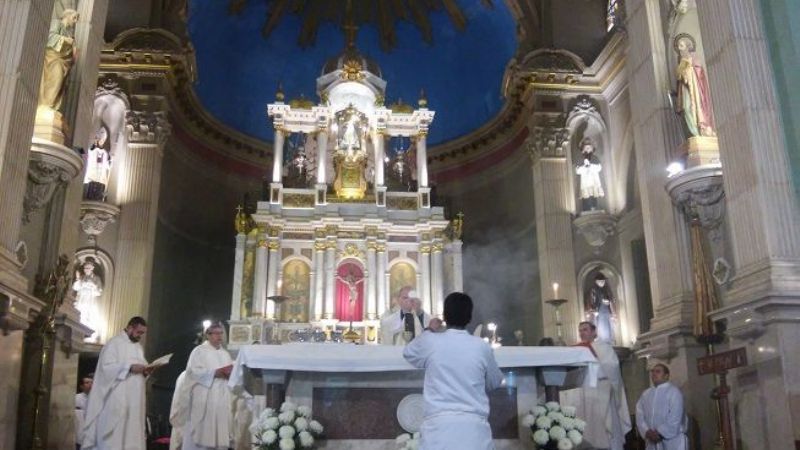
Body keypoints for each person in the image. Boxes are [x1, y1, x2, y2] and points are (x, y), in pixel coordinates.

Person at [403, 292, 504, 450]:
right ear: (469, 317)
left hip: (438, 432)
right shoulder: (481, 347)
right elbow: (494, 382)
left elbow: (409, 353)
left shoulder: (431, 341)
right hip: (474, 432)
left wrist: (429, 330)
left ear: (444, 316)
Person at [81, 316, 151, 450]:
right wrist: (129, 367)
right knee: (114, 434)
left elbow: (142, 366)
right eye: (138, 332)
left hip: (134, 401)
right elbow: (106, 368)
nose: (140, 336)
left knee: (131, 433)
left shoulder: (138, 348)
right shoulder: (114, 343)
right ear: (130, 327)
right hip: (117, 398)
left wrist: (146, 371)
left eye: (142, 333)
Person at [564, 322, 631, 450]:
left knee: (606, 428)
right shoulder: (577, 349)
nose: (582, 333)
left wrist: (593, 359)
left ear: (594, 332)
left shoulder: (603, 347)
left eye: (585, 329)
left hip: (602, 392)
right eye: (580, 330)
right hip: (584, 396)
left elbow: (612, 367)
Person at [180, 323, 234, 450]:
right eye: (216, 333)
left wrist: (229, 374)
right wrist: (214, 373)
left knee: (219, 431)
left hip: (221, 396)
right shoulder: (199, 351)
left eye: (221, 333)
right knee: (203, 430)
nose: (219, 336)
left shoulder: (225, 354)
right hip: (205, 396)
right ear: (208, 335)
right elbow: (193, 372)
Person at [636, 364, 689, 450]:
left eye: (658, 371)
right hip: (652, 442)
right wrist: (646, 431)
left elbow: (675, 416)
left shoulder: (674, 392)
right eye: (652, 371)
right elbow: (639, 414)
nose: (654, 374)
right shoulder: (646, 394)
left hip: (672, 441)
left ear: (666, 376)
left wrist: (660, 433)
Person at [674, 33, 716, 138]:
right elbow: (679, 77)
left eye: (682, 46)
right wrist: (682, 74)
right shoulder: (680, 63)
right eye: (678, 46)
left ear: (688, 47)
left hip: (695, 89)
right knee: (686, 109)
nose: (680, 49)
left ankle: (699, 131)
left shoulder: (694, 59)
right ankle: (693, 133)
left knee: (693, 108)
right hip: (685, 89)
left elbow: (699, 72)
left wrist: (688, 71)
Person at [39, 8, 79, 110]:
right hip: (53, 59)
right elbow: (50, 37)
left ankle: (51, 105)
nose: (75, 21)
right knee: (55, 80)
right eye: (74, 18)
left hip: (63, 62)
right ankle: (46, 104)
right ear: (67, 15)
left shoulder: (69, 33)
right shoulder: (57, 23)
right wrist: (66, 40)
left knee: (59, 84)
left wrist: (73, 52)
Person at [72, 259, 103, 341]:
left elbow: (99, 291)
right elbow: (75, 287)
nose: (86, 270)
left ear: (92, 268)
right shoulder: (82, 277)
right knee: (80, 315)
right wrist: (78, 279)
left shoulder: (96, 278)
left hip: (90, 301)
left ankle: (87, 332)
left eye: (88, 268)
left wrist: (91, 285)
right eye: (85, 268)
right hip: (81, 300)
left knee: (88, 316)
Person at [585, 273, 615, 344]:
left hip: (606, 310)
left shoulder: (606, 289)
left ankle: (608, 340)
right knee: (600, 325)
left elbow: (611, 298)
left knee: (607, 325)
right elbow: (591, 300)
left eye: (603, 281)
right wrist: (594, 309)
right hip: (598, 311)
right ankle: (601, 340)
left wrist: (608, 301)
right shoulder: (593, 290)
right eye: (601, 281)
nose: (602, 283)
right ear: (596, 282)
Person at [575, 140, 604, 212]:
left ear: (592, 148)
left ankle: (594, 207)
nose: (587, 149)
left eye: (589, 147)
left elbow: (599, 167)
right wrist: (584, 167)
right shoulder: (581, 158)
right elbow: (577, 170)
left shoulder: (594, 158)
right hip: (585, 180)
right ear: (583, 149)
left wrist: (591, 166)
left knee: (594, 194)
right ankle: (587, 208)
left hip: (593, 179)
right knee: (586, 195)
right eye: (586, 147)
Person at [75, 373, 93, 449]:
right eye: (87, 382)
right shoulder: (76, 398)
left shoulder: (98, 400)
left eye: (91, 382)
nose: (90, 384)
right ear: (81, 386)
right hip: (79, 431)